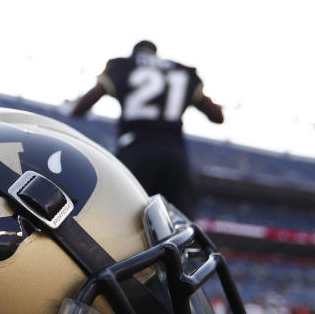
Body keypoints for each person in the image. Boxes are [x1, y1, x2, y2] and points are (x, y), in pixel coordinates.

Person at [71, 40, 223, 216]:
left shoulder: (123, 66)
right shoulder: (181, 71)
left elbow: (81, 108)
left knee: (123, 213)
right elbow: (217, 117)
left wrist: (75, 107)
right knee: (181, 220)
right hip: (175, 153)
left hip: (137, 147)